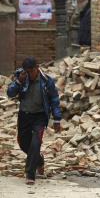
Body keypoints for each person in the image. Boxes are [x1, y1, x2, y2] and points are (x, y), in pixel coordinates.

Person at [7, 56, 62, 185]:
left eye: (31, 71)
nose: (29, 74)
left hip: (40, 116)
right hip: (24, 115)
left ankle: (30, 174)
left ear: (37, 68)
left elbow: (54, 99)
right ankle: (39, 160)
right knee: (23, 143)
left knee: (35, 143)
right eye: (27, 71)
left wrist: (57, 119)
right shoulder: (20, 77)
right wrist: (19, 82)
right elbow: (10, 93)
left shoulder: (46, 80)